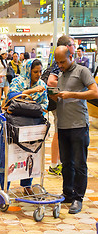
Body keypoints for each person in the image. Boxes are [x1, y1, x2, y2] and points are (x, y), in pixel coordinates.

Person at [51, 46, 98, 214]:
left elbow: (94, 93)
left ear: (71, 56)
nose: (60, 65)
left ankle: (78, 197)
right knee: (66, 163)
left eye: (63, 61)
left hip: (79, 125)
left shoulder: (82, 71)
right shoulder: (61, 74)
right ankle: (68, 193)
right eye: (58, 62)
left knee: (79, 164)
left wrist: (72, 95)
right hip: (63, 126)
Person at [0, 59, 48, 192]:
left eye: (40, 72)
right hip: (15, 124)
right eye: (35, 72)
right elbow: (11, 97)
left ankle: (27, 185)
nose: (38, 74)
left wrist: (29, 104)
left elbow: (44, 104)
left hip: (33, 125)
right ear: (28, 71)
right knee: (8, 155)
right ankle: (5, 188)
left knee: (30, 154)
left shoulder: (42, 84)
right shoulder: (18, 81)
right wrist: (31, 92)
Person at [47, 35, 76, 176]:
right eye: (73, 44)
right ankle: (54, 165)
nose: (75, 47)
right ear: (67, 46)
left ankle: (58, 162)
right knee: (58, 132)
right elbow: (51, 81)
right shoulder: (58, 62)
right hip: (59, 102)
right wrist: (68, 86)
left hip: (63, 102)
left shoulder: (64, 61)